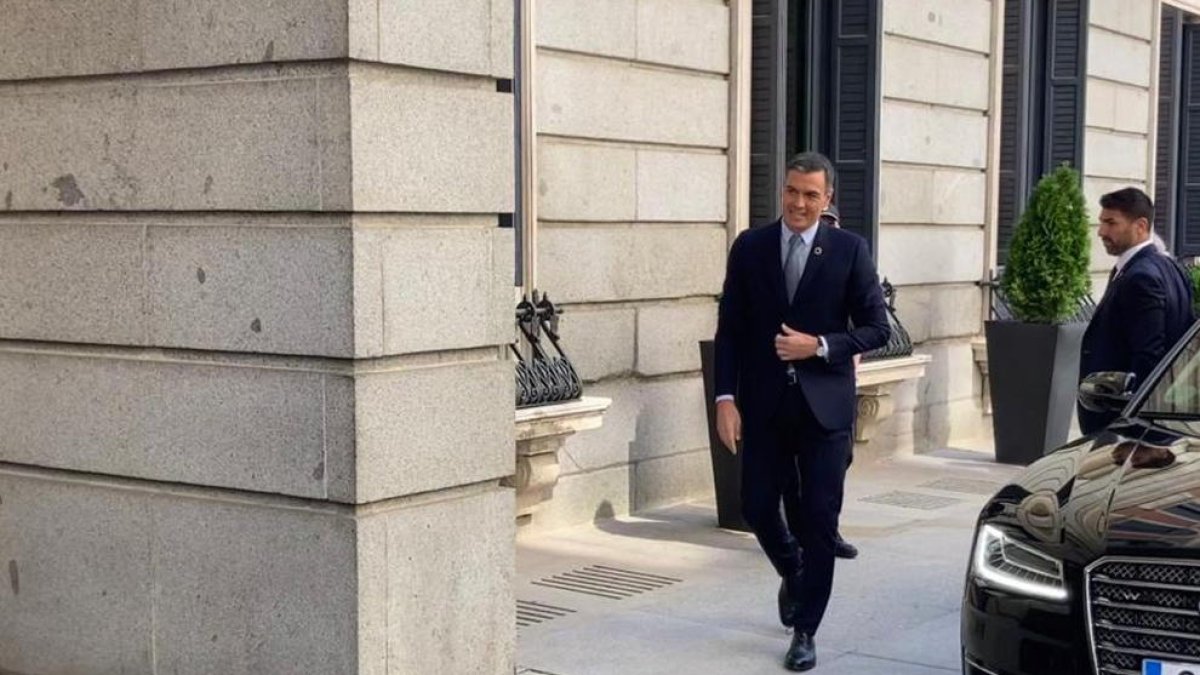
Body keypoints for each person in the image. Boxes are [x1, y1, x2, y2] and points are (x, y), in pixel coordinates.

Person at [713, 152, 890, 671]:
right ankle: (792, 569)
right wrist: (725, 398)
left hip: (824, 411)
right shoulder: (750, 247)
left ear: (827, 199)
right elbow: (730, 331)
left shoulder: (850, 251)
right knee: (758, 506)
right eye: (792, 191)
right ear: (782, 191)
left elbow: (878, 328)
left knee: (817, 520)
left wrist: (819, 346)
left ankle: (806, 630)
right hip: (765, 406)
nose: (799, 202)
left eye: (811, 195)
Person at [1078, 187, 1194, 434]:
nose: (1101, 231)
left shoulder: (1141, 277)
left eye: (1111, 223)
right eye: (1101, 222)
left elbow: (1148, 355)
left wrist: (1131, 423)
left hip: (1126, 427)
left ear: (1140, 226)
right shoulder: (1170, 268)